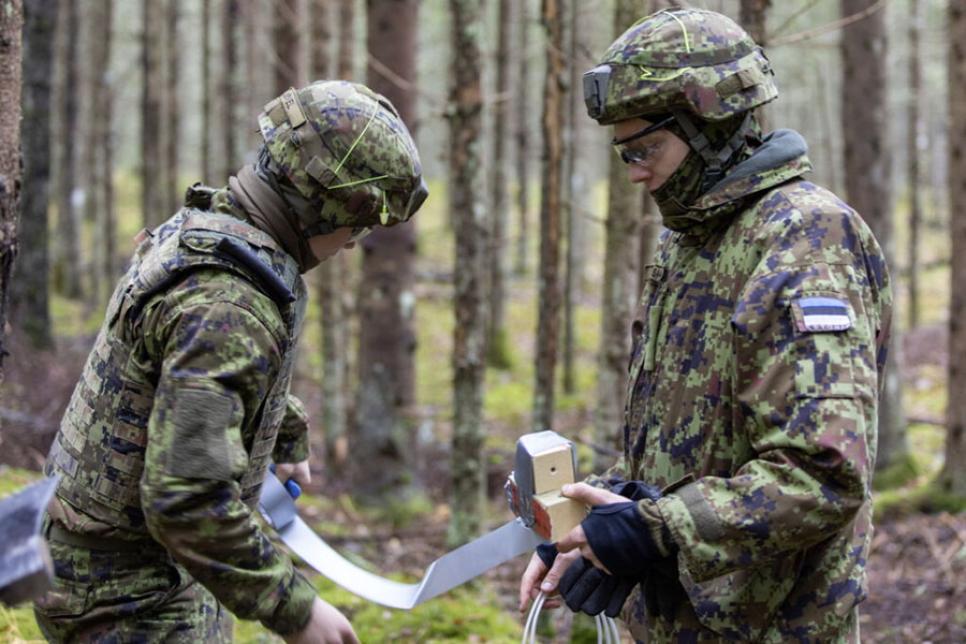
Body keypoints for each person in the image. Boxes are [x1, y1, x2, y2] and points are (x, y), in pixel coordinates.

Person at [519, 9, 891, 642]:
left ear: (711, 125)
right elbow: (686, 439)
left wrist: (654, 529)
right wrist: (604, 518)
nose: (635, 171)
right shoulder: (691, 243)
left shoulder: (805, 240)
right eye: (624, 153)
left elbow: (822, 474)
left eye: (646, 149)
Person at [34, 80, 427, 643]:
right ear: (322, 207)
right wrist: (295, 609)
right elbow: (186, 500)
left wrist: (281, 426)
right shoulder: (230, 303)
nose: (354, 242)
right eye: (359, 223)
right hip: (124, 592)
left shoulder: (210, 229)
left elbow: (182, 366)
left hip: (136, 563)